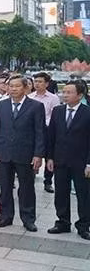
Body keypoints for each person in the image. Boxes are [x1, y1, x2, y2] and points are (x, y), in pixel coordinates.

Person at [0, 75, 45, 232]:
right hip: (4, 152)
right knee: (5, 187)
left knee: (27, 188)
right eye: (11, 86)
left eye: (17, 86)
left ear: (26, 88)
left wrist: (38, 154)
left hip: (25, 153)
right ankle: (6, 216)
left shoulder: (36, 106)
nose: (13, 89)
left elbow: (40, 132)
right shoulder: (1, 105)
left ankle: (28, 218)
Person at [46, 81, 90, 239]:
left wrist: (89, 163)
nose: (64, 95)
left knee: (83, 194)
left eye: (69, 92)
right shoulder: (57, 111)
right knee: (61, 193)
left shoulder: (87, 112)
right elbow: (51, 136)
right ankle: (63, 222)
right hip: (60, 160)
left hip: (81, 162)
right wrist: (49, 157)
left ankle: (84, 225)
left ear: (79, 95)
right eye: (63, 92)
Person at [30, 72, 60, 194]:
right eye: (35, 81)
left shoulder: (54, 98)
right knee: (31, 154)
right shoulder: (30, 97)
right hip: (32, 130)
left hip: (48, 130)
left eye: (40, 81)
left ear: (47, 83)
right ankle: (30, 177)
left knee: (49, 156)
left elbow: (55, 115)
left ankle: (48, 181)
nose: (37, 84)